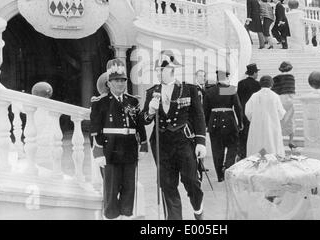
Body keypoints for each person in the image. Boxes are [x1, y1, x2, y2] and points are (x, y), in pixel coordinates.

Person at [142, 51, 206, 220]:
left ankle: (198, 209)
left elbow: (199, 117)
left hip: (183, 142)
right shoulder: (151, 92)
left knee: (191, 181)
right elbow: (144, 120)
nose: (157, 72)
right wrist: (149, 111)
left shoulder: (188, 89)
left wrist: (201, 142)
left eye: (160, 69)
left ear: (171, 70)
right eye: (156, 69)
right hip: (162, 144)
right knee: (167, 185)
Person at [90, 59, 148, 220]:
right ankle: (111, 216)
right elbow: (94, 129)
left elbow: (140, 126)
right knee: (111, 188)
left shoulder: (133, 101)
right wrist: (98, 152)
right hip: (110, 150)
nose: (121, 83)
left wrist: (143, 145)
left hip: (129, 149)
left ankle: (126, 216)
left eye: (123, 80)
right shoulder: (100, 102)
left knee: (129, 188)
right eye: (116, 80)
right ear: (109, 83)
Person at [204, 70, 243, 182]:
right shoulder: (229, 90)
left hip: (214, 123)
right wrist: (240, 123)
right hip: (229, 122)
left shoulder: (210, 91)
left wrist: (206, 124)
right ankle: (228, 166)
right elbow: (238, 108)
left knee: (217, 150)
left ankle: (219, 175)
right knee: (233, 145)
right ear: (226, 78)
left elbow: (205, 110)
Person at [245, 75, 286, 157]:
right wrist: (274, 118)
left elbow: (248, 112)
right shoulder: (275, 96)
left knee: (256, 146)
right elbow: (281, 113)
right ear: (271, 84)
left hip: (257, 126)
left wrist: (254, 119)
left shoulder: (254, 96)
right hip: (272, 126)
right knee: (273, 146)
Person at [237, 63, 261, 160]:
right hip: (254, 113)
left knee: (243, 136)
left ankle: (242, 154)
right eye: (257, 72)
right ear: (254, 73)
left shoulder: (241, 83)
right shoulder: (258, 84)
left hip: (243, 113)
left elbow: (237, 98)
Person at [272, 62, 296, 149]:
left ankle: (279, 141)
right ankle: (291, 141)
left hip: (279, 99)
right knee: (291, 120)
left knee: (279, 120)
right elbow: (292, 90)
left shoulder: (275, 78)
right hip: (289, 99)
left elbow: (274, 90)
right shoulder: (291, 77)